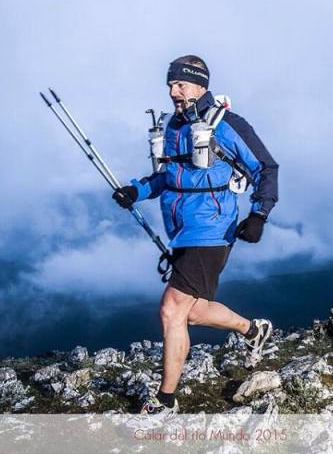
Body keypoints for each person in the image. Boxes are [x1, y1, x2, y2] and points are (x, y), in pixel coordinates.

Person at [113, 54, 279, 418]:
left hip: (212, 230)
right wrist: (135, 192)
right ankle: (252, 330)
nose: (173, 91)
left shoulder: (227, 124)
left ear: (200, 85)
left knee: (171, 309)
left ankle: (165, 401)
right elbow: (164, 177)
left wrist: (259, 214)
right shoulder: (173, 126)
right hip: (182, 233)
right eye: (170, 84)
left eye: (180, 84)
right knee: (192, 312)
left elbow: (266, 167)